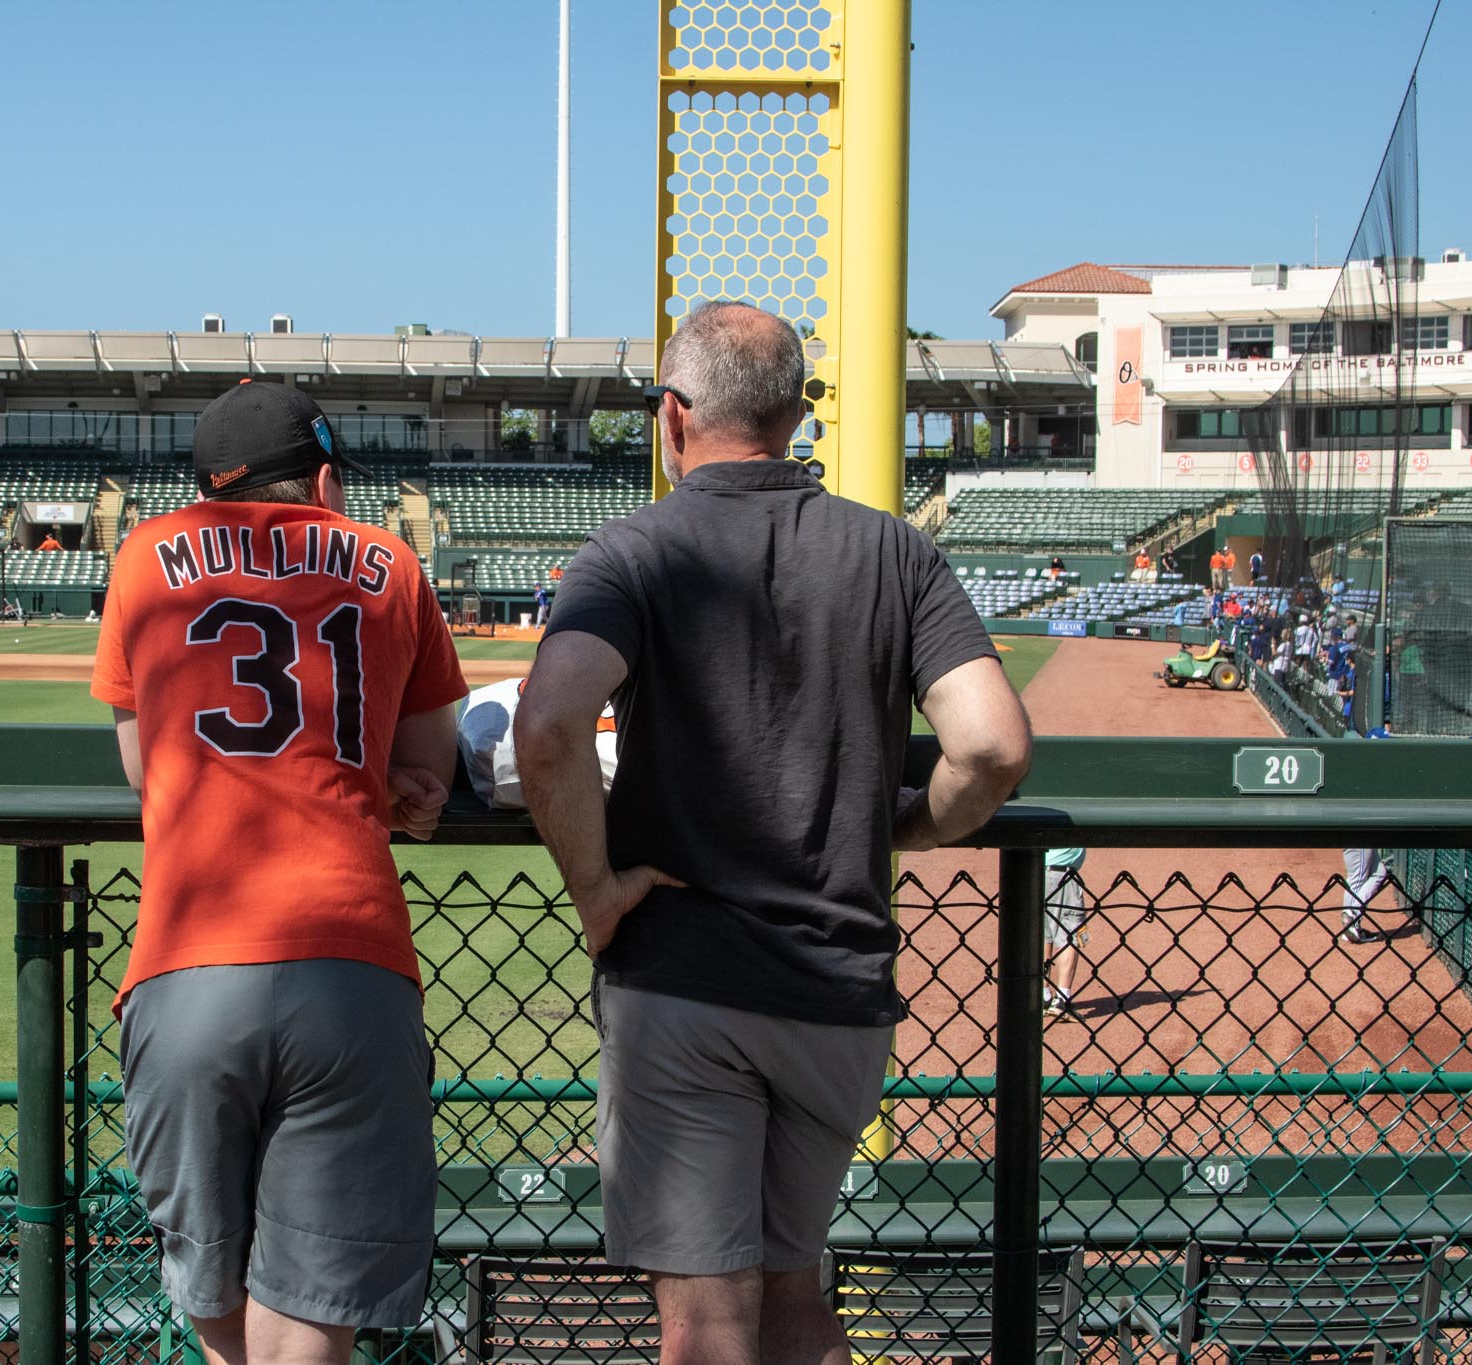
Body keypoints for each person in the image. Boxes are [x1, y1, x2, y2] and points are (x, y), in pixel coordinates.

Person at [512, 302, 1032, 1365]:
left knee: (705, 1326)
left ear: (671, 417)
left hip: (686, 980)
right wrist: (911, 830)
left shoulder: (632, 549)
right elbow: (990, 749)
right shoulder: (894, 553)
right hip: (834, 987)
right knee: (798, 1303)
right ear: (795, 416)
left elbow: (551, 726)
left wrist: (597, 891)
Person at [91, 380, 466, 1365]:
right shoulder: (388, 561)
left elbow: (142, 766)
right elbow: (427, 765)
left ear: (206, 488)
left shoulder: (144, 556)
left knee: (210, 1289)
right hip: (348, 957)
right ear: (327, 475)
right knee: (311, 1308)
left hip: (185, 957)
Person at [1042, 846, 1090, 1016]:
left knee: (1043, 936)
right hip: (1063, 876)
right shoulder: (1073, 817)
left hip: (1036, 873)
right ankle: (1062, 999)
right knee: (1069, 935)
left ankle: (1043, 995)